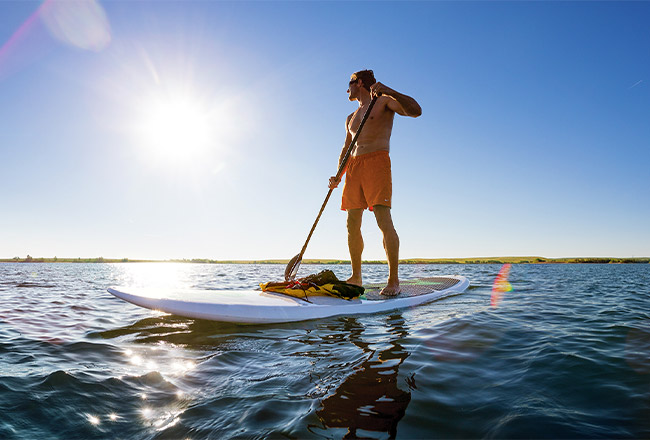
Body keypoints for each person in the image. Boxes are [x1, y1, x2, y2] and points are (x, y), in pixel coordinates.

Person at [329, 70, 421, 296]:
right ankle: (357, 276)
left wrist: (389, 90)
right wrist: (338, 175)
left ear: (359, 82)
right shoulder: (350, 118)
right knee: (352, 223)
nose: (347, 89)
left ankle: (393, 281)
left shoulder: (384, 103)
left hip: (377, 161)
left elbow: (416, 111)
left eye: (349, 83)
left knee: (382, 218)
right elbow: (346, 148)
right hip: (354, 168)